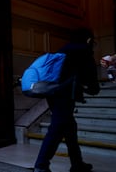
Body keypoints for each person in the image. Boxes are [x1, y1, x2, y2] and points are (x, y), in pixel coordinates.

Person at [33, 28, 100, 172]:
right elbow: (92, 82)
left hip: (52, 92)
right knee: (56, 129)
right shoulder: (84, 51)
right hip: (65, 94)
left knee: (70, 128)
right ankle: (41, 165)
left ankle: (77, 164)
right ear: (88, 39)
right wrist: (92, 88)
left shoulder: (63, 49)